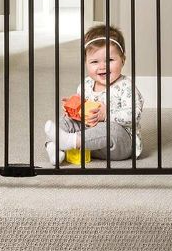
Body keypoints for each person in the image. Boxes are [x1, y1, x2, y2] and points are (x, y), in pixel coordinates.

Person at [43, 24, 144, 165]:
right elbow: (82, 114)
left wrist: (107, 114)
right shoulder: (86, 85)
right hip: (91, 141)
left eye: (109, 60)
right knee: (64, 121)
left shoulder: (126, 86)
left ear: (123, 60)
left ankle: (70, 141)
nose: (102, 66)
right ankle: (54, 147)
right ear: (86, 63)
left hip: (120, 144)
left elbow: (135, 115)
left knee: (111, 128)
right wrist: (74, 109)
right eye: (94, 62)